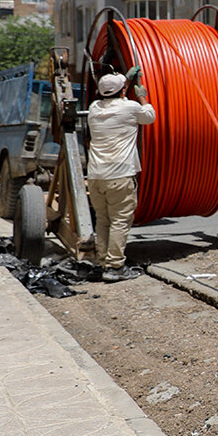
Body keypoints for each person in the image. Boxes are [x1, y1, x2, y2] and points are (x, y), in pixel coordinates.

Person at [86, 70, 154, 282]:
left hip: (96, 176)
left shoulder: (93, 109)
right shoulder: (131, 107)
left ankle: (102, 262)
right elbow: (149, 117)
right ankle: (115, 267)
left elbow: (111, 93)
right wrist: (142, 95)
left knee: (103, 220)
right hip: (120, 175)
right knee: (119, 221)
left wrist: (123, 80)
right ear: (124, 90)